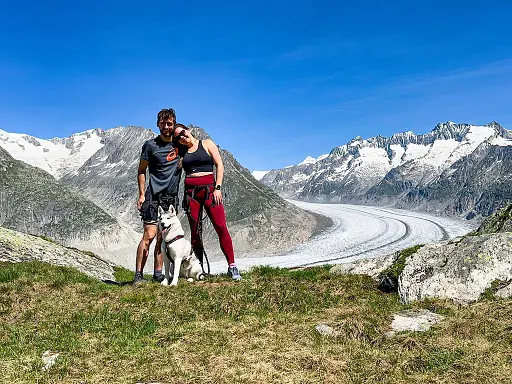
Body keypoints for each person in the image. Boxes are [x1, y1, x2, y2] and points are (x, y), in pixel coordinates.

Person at [172, 123, 242, 281]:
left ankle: (232, 266)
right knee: (195, 232)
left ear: (188, 130)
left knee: (221, 226)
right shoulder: (181, 152)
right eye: (178, 137)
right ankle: (199, 269)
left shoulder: (207, 143)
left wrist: (218, 188)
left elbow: (219, 165)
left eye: (182, 133)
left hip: (211, 191)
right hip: (191, 195)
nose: (182, 137)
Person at [133, 108, 183, 284]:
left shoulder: (180, 146)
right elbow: (141, 170)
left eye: (170, 123)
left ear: (174, 124)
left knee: (163, 237)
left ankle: (158, 274)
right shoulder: (150, 145)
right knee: (149, 235)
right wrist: (141, 194)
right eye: (163, 123)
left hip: (170, 198)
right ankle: (138, 276)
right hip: (152, 195)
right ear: (157, 124)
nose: (166, 126)